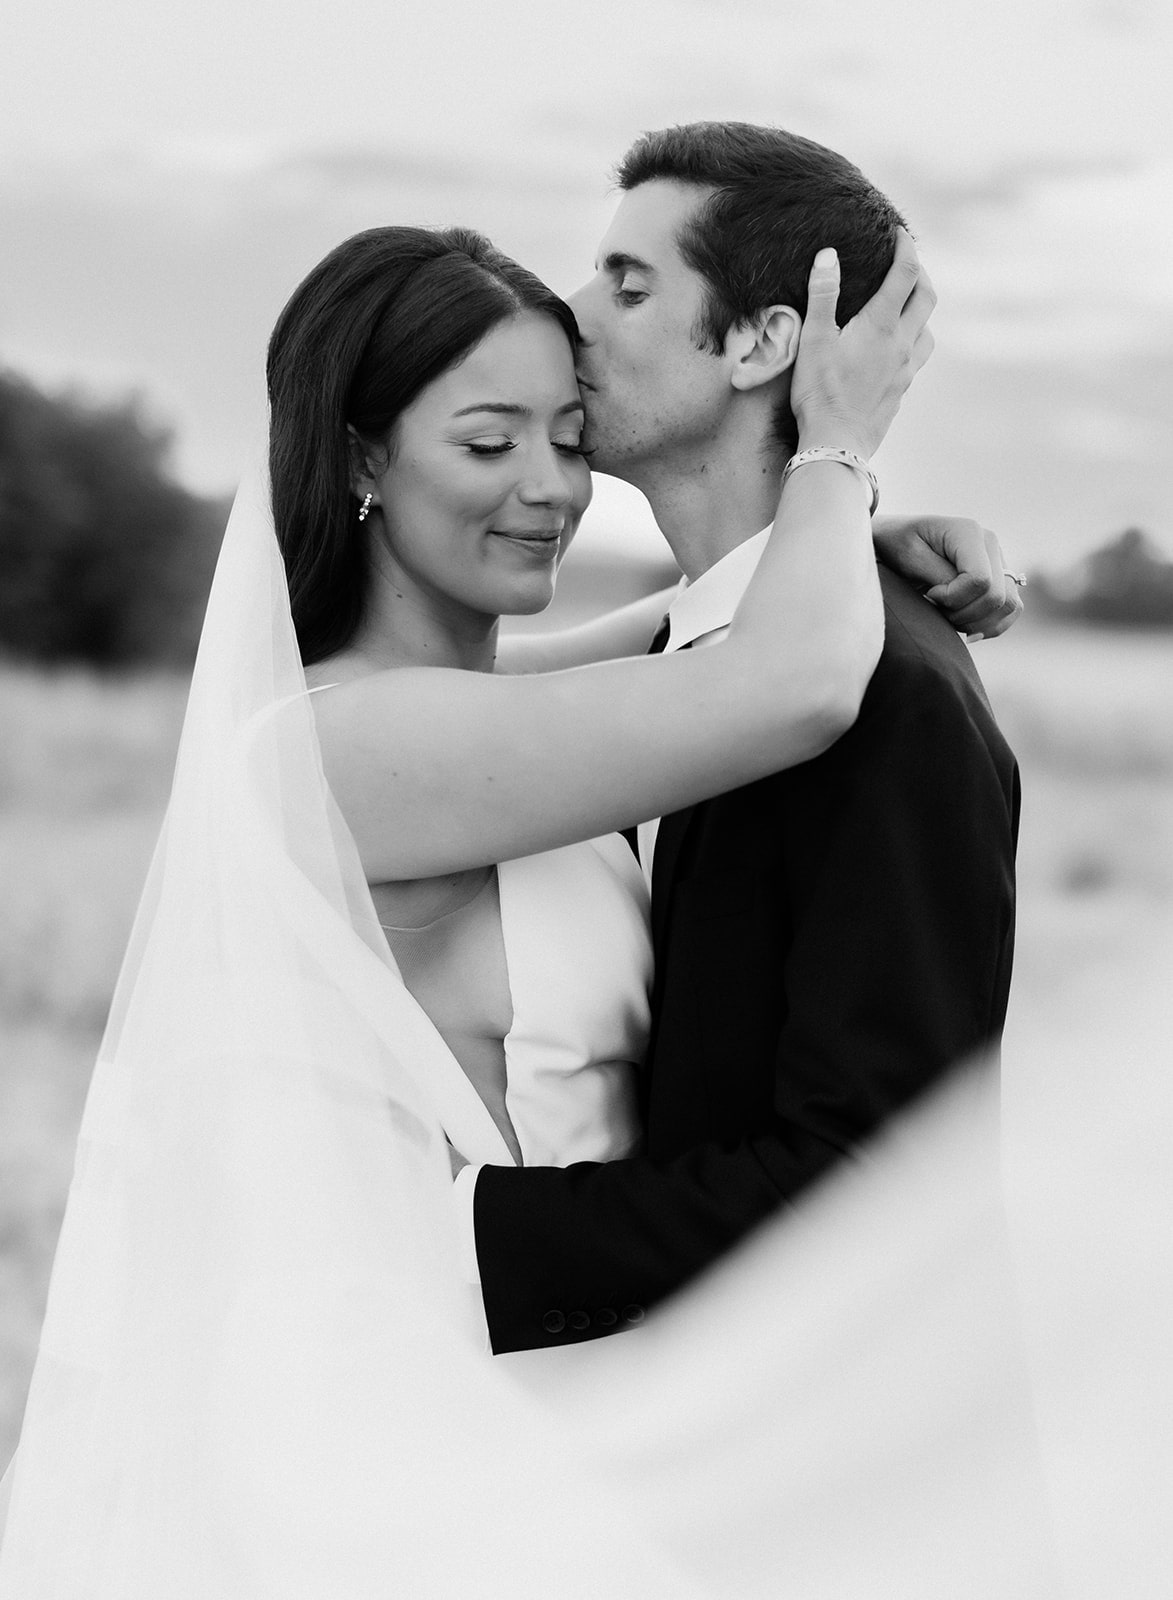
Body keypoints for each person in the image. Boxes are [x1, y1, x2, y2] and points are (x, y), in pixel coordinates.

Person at [0, 195, 1029, 1593]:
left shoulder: (474, 706)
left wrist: (851, 537)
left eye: (565, 436)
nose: (547, 486)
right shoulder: (345, 747)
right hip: (436, 1410)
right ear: (362, 457)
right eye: (487, 444)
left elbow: (693, 627)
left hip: (583, 1395)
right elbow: (770, 682)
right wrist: (837, 453)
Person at [464, 121, 1022, 1354]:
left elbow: (868, 1185)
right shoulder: (707, 657)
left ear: (766, 343)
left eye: (629, 283)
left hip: (825, 1490)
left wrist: (468, 1235)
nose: (568, 314)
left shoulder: (893, 702)